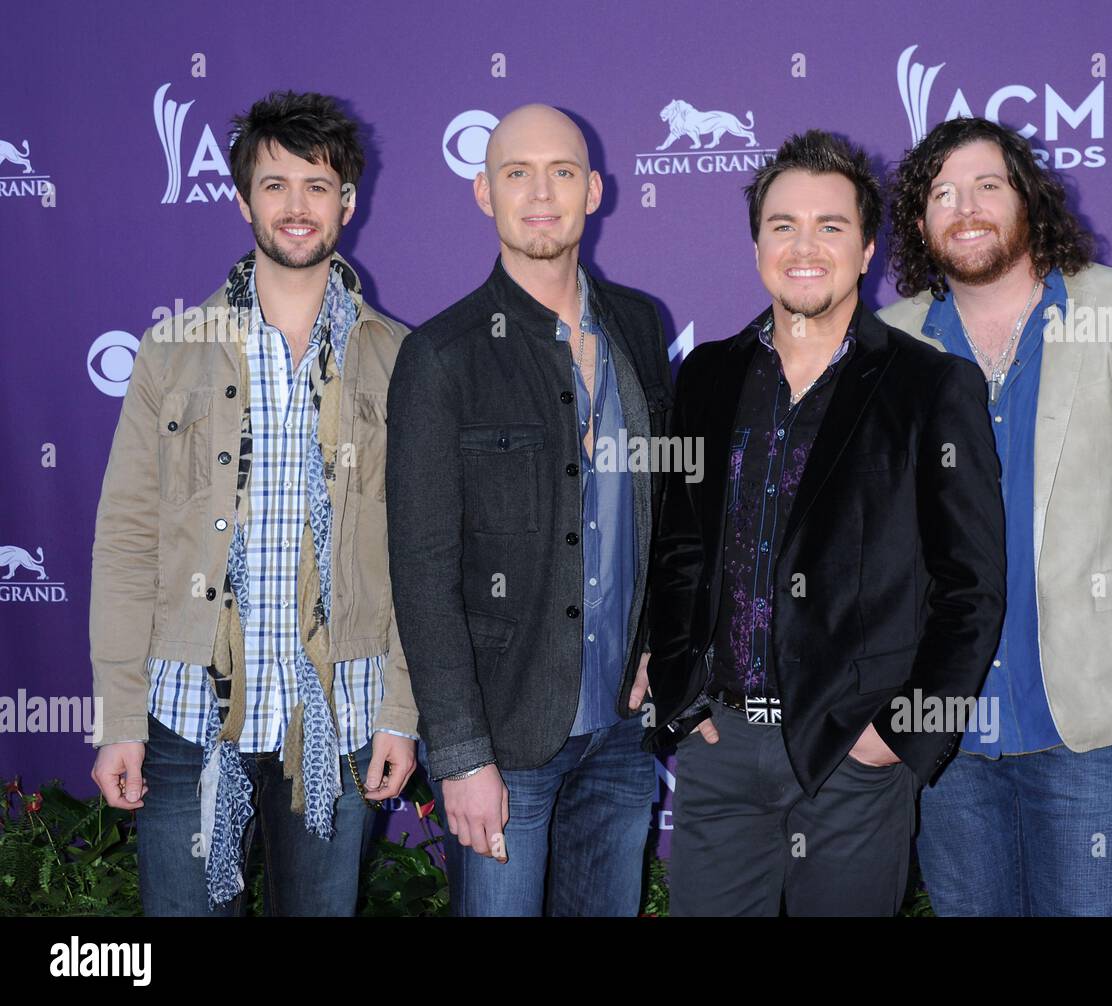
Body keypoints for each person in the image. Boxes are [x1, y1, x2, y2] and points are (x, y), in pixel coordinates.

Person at [645, 129, 1006, 916]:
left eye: (830, 226)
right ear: (756, 246)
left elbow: (971, 590)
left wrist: (900, 739)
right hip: (721, 745)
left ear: (869, 247)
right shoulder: (706, 375)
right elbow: (678, 546)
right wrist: (682, 689)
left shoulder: (932, 386)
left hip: (855, 751)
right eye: (783, 226)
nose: (804, 247)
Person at [89, 91, 418, 916]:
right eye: (275, 185)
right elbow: (127, 538)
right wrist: (120, 716)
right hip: (185, 714)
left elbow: (421, 551)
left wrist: (403, 715)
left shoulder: (401, 361)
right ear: (242, 202)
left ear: (348, 202)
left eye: (318, 185)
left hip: (339, 716)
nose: (297, 206)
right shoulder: (172, 351)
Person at [878, 115, 1112, 916]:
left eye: (987, 185)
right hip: (943, 724)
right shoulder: (890, 343)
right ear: (920, 224)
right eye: (942, 194)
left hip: (1088, 720)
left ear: (1027, 196)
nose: (966, 208)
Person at [386, 103, 674, 916]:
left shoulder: (641, 326)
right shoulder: (441, 357)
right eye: (517, 173)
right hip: (506, 739)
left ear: (595, 191)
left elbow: (662, 505)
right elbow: (423, 569)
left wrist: (657, 639)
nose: (540, 192)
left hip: (622, 729)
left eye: (562, 172)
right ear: (483, 193)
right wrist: (463, 755)